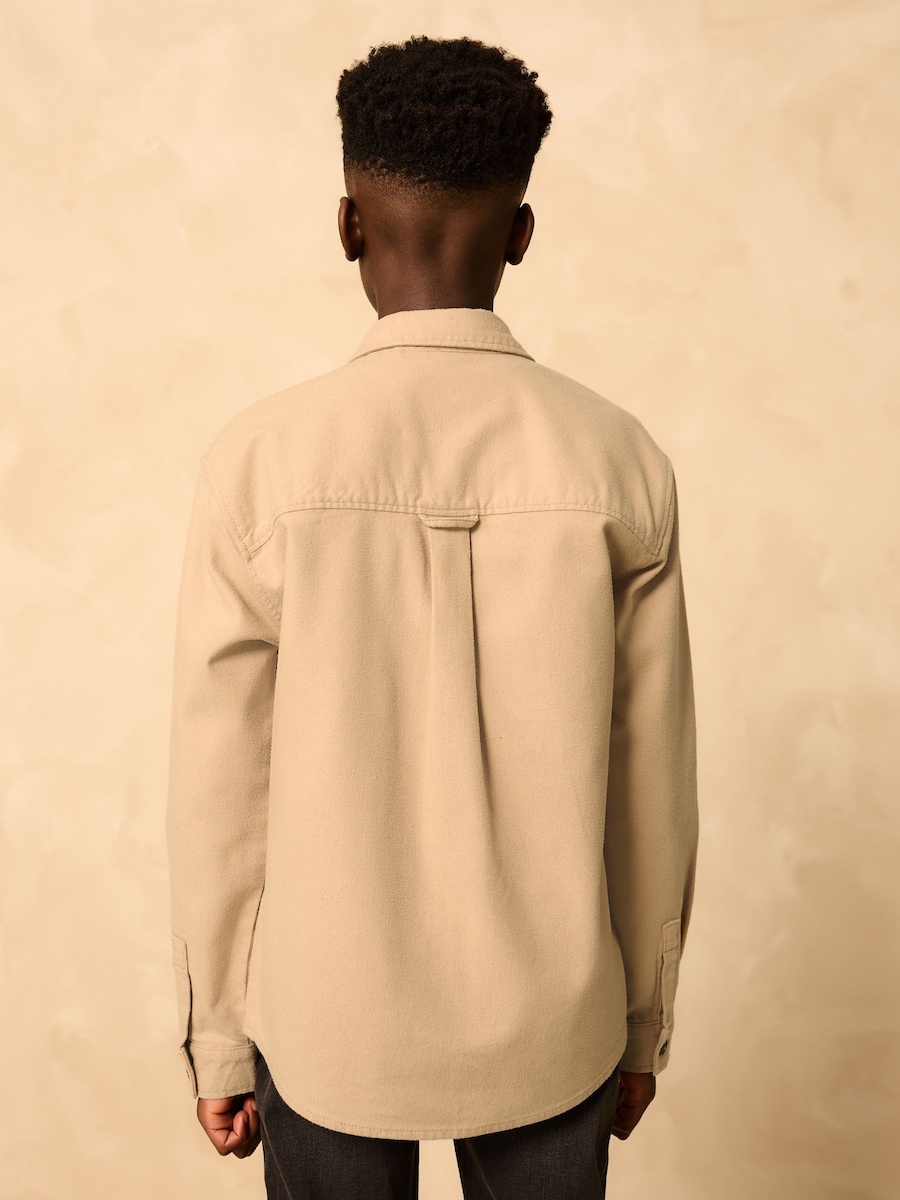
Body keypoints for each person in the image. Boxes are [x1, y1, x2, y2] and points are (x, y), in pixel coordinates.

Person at [166, 33, 700, 1199]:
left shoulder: (259, 462)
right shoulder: (621, 463)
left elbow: (222, 785)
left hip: (324, 1026)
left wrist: (220, 1037)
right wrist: (641, 1025)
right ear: (521, 234)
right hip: (555, 1027)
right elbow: (652, 790)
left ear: (347, 226)